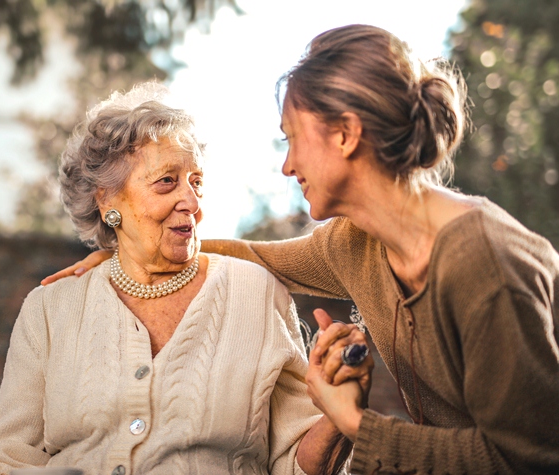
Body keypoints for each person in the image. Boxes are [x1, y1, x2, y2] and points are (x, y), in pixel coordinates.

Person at [42, 26, 559, 474]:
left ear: (346, 134)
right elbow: (256, 256)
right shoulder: (356, 243)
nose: (288, 166)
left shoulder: (483, 263)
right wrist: (131, 253)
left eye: (292, 139)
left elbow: (528, 459)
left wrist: (353, 421)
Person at [0, 83, 359, 475]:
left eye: (196, 182)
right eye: (167, 181)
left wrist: (338, 417)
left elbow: (297, 465)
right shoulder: (50, 309)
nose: (192, 202)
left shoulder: (257, 293)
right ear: (107, 199)